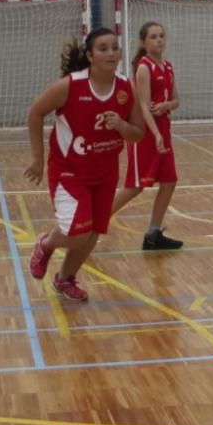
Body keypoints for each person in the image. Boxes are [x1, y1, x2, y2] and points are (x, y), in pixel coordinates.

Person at [25, 28, 145, 301]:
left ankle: (64, 280)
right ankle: (46, 243)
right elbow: (35, 112)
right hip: (70, 172)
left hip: (105, 173)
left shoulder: (126, 87)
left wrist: (121, 125)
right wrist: (36, 158)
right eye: (104, 48)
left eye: (115, 47)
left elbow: (138, 133)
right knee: (78, 233)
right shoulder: (71, 85)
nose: (111, 52)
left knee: (92, 234)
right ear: (90, 55)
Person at [110, 21, 184, 251]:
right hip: (146, 132)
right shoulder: (144, 67)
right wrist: (155, 133)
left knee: (169, 181)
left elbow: (176, 101)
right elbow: (143, 106)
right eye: (153, 37)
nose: (159, 40)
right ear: (144, 42)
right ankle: (91, 224)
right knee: (135, 186)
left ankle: (153, 233)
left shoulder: (168, 67)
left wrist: (165, 106)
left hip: (163, 129)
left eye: (161, 35)